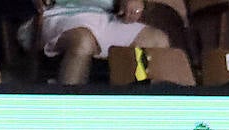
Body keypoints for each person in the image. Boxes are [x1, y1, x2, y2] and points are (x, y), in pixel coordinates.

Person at [31, 0, 168, 85]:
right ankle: (68, 113)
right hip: (61, 15)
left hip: (109, 18)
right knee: (83, 42)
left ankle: (142, 114)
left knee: (157, 40)